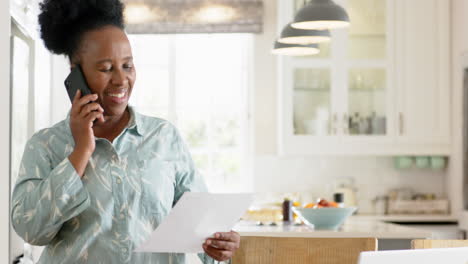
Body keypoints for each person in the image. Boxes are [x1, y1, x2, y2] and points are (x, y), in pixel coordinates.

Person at [10, 0, 240, 263]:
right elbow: (31, 230)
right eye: (106, 69)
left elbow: (205, 233)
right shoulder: (45, 145)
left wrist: (221, 247)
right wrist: (81, 151)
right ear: (76, 74)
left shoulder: (164, 138)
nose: (121, 80)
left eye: (127, 66)